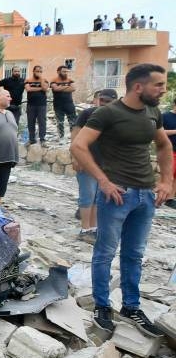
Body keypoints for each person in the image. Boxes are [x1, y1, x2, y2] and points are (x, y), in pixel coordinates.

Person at [72, 64, 172, 337]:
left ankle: (131, 306)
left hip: (146, 195)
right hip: (117, 195)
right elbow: (78, 145)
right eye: (158, 85)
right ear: (138, 86)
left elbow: (164, 145)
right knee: (105, 252)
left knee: (134, 254)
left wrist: (166, 181)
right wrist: (103, 181)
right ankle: (102, 306)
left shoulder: (153, 112)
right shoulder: (108, 113)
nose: (163, 90)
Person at [71, 88, 117, 243]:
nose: (103, 103)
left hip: (106, 165)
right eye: (101, 100)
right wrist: (76, 158)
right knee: (87, 196)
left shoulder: (117, 117)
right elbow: (75, 135)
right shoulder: (87, 114)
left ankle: (94, 228)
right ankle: (85, 229)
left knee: (98, 198)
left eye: (108, 101)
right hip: (87, 162)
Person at [24, 65, 49, 146]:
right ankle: (32, 139)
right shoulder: (28, 80)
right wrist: (40, 88)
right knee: (31, 122)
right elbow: (28, 89)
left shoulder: (44, 80)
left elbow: (45, 89)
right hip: (31, 105)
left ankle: (42, 140)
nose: (38, 73)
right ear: (33, 71)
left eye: (40, 71)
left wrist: (41, 79)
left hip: (42, 105)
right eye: (37, 71)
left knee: (42, 122)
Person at [50, 65, 77, 139]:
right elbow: (55, 89)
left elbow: (73, 88)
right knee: (60, 122)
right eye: (63, 71)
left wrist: (60, 88)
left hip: (69, 104)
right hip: (58, 105)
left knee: (73, 121)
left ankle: (73, 137)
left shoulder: (70, 80)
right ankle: (61, 137)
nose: (65, 73)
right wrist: (67, 86)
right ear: (58, 72)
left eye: (66, 72)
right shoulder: (54, 80)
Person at [162, 97, 176, 208]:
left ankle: (170, 199)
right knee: (169, 175)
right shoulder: (165, 116)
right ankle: (162, 196)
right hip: (169, 150)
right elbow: (160, 132)